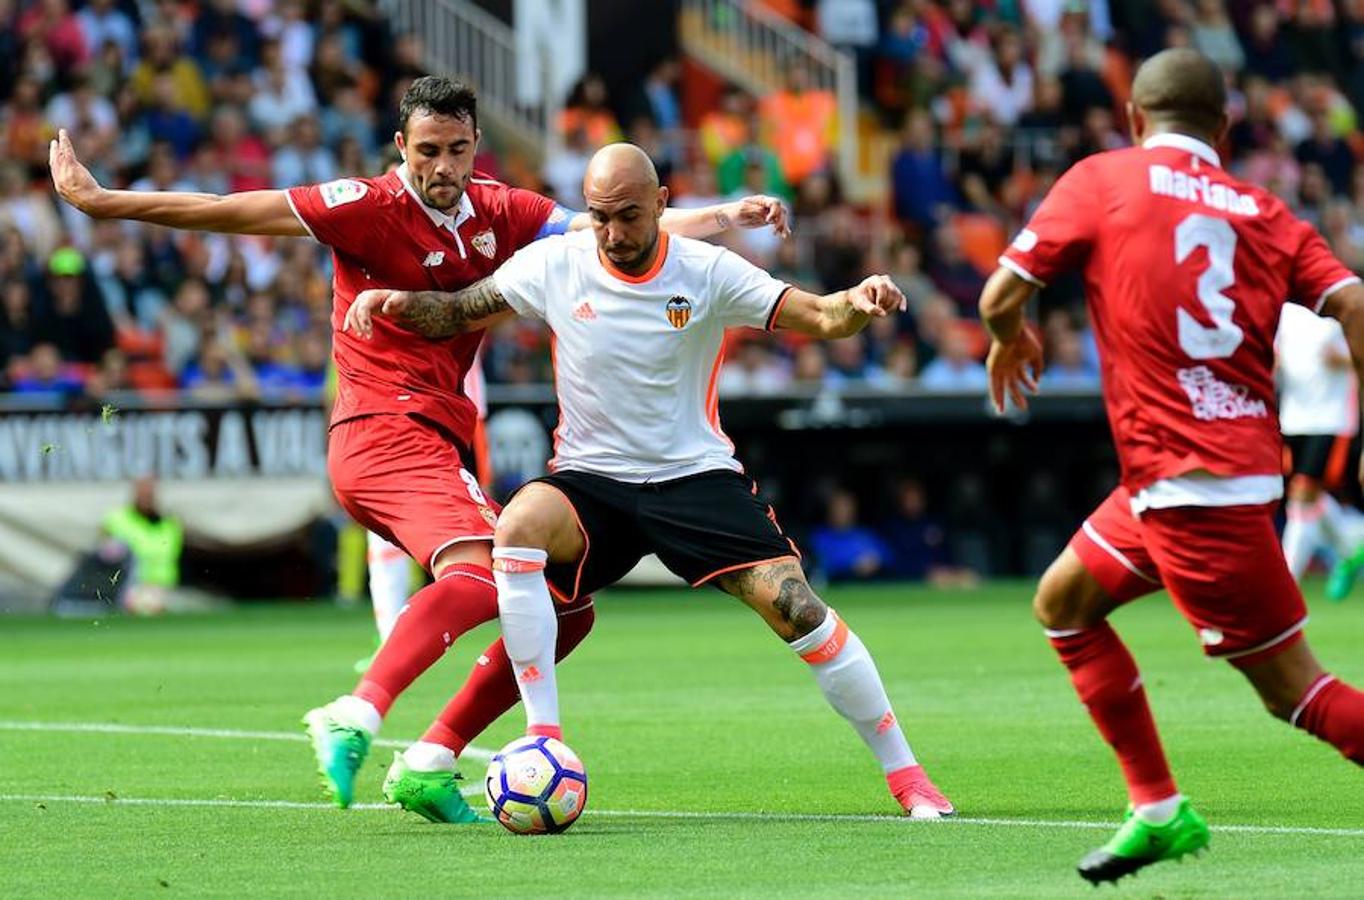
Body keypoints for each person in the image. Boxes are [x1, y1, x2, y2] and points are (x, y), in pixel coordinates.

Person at [49, 76, 791, 816]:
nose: (443, 166)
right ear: (400, 148)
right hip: (380, 431)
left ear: (476, 148)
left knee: (565, 607)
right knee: (488, 573)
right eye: (427, 150)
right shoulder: (365, 206)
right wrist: (103, 201)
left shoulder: (504, 211)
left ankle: (431, 759)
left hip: (435, 437)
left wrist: (725, 214)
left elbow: (612, 229)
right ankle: (356, 712)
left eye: (457, 149)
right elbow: (228, 210)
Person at [346, 143, 955, 822]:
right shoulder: (557, 263)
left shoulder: (707, 270)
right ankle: (543, 738)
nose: (613, 233)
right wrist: (399, 301)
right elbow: (459, 310)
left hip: (693, 476)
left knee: (798, 609)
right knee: (515, 528)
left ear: (662, 204)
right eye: (600, 217)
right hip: (592, 480)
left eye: (629, 216)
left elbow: (817, 316)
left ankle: (909, 777)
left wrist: (860, 300)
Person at [978, 48, 1364, 885]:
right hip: (1183, 482)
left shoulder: (1103, 178)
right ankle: (1157, 809)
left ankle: (1159, 806)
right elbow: (1355, 303)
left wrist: (1013, 335)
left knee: (1297, 694)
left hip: (1194, 493)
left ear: (1134, 120)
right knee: (1064, 603)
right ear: (1224, 129)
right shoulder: (1266, 213)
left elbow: (999, 296)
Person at [1276, 302, 1361, 582]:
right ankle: (1350, 547)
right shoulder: (1286, 312)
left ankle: (1286, 581)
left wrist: (1345, 360)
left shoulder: (1340, 306)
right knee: (1307, 497)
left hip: (1331, 418)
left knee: (1303, 494)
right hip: (1292, 417)